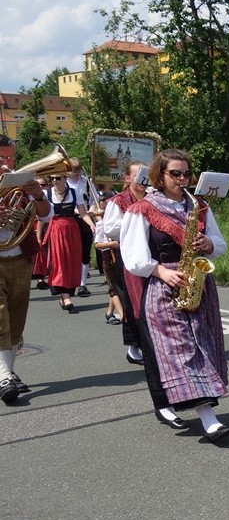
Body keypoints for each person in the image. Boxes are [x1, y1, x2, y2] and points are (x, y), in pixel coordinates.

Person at [122, 149, 229, 442]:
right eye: (175, 174)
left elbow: (221, 245)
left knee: (203, 345)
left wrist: (208, 243)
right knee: (181, 350)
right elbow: (133, 256)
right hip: (164, 287)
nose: (182, 179)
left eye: (186, 174)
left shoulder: (201, 206)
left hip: (198, 283)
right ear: (159, 175)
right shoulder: (143, 208)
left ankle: (193, 407)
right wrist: (162, 272)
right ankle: (209, 419)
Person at [0, 139, 52, 404]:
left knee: (16, 321)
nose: (6, 164)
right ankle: (4, 377)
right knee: (1, 320)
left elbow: (45, 216)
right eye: (1, 158)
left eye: (9, 158)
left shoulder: (20, 183)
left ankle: (7, 372)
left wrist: (39, 195)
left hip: (20, 257)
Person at [102, 161, 149, 369]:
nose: (142, 180)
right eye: (137, 175)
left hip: (151, 255)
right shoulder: (117, 201)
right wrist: (136, 218)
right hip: (127, 256)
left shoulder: (154, 198)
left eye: (145, 175)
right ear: (127, 179)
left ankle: (151, 344)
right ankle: (134, 347)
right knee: (131, 302)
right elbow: (110, 229)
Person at [43, 171, 93, 313]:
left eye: (58, 178)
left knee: (72, 262)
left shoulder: (74, 191)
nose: (54, 181)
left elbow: (83, 213)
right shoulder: (48, 194)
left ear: (65, 178)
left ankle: (65, 295)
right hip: (56, 229)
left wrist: (92, 225)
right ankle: (65, 297)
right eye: (52, 178)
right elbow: (43, 216)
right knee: (59, 262)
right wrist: (40, 235)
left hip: (72, 229)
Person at [92, 191, 124, 325]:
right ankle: (123, 316)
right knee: (113, 287)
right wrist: (112, 243)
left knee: (119, 285)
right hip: (108, 257)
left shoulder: (120, 222)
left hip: (120, 255)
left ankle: (109, 312)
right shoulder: (101, 225)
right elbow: (97, 245)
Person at [66, 157, 95, 297]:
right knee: (71, 252)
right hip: (71, 219)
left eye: (78, 171)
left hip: (86, 219)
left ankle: (82, 284)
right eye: (73, 171)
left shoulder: (87, 182)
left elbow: (94, 199)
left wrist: (91, 210)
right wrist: (78, 211)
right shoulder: (63, 183)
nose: (76, 174)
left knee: (85, 251)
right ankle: (70, 282)